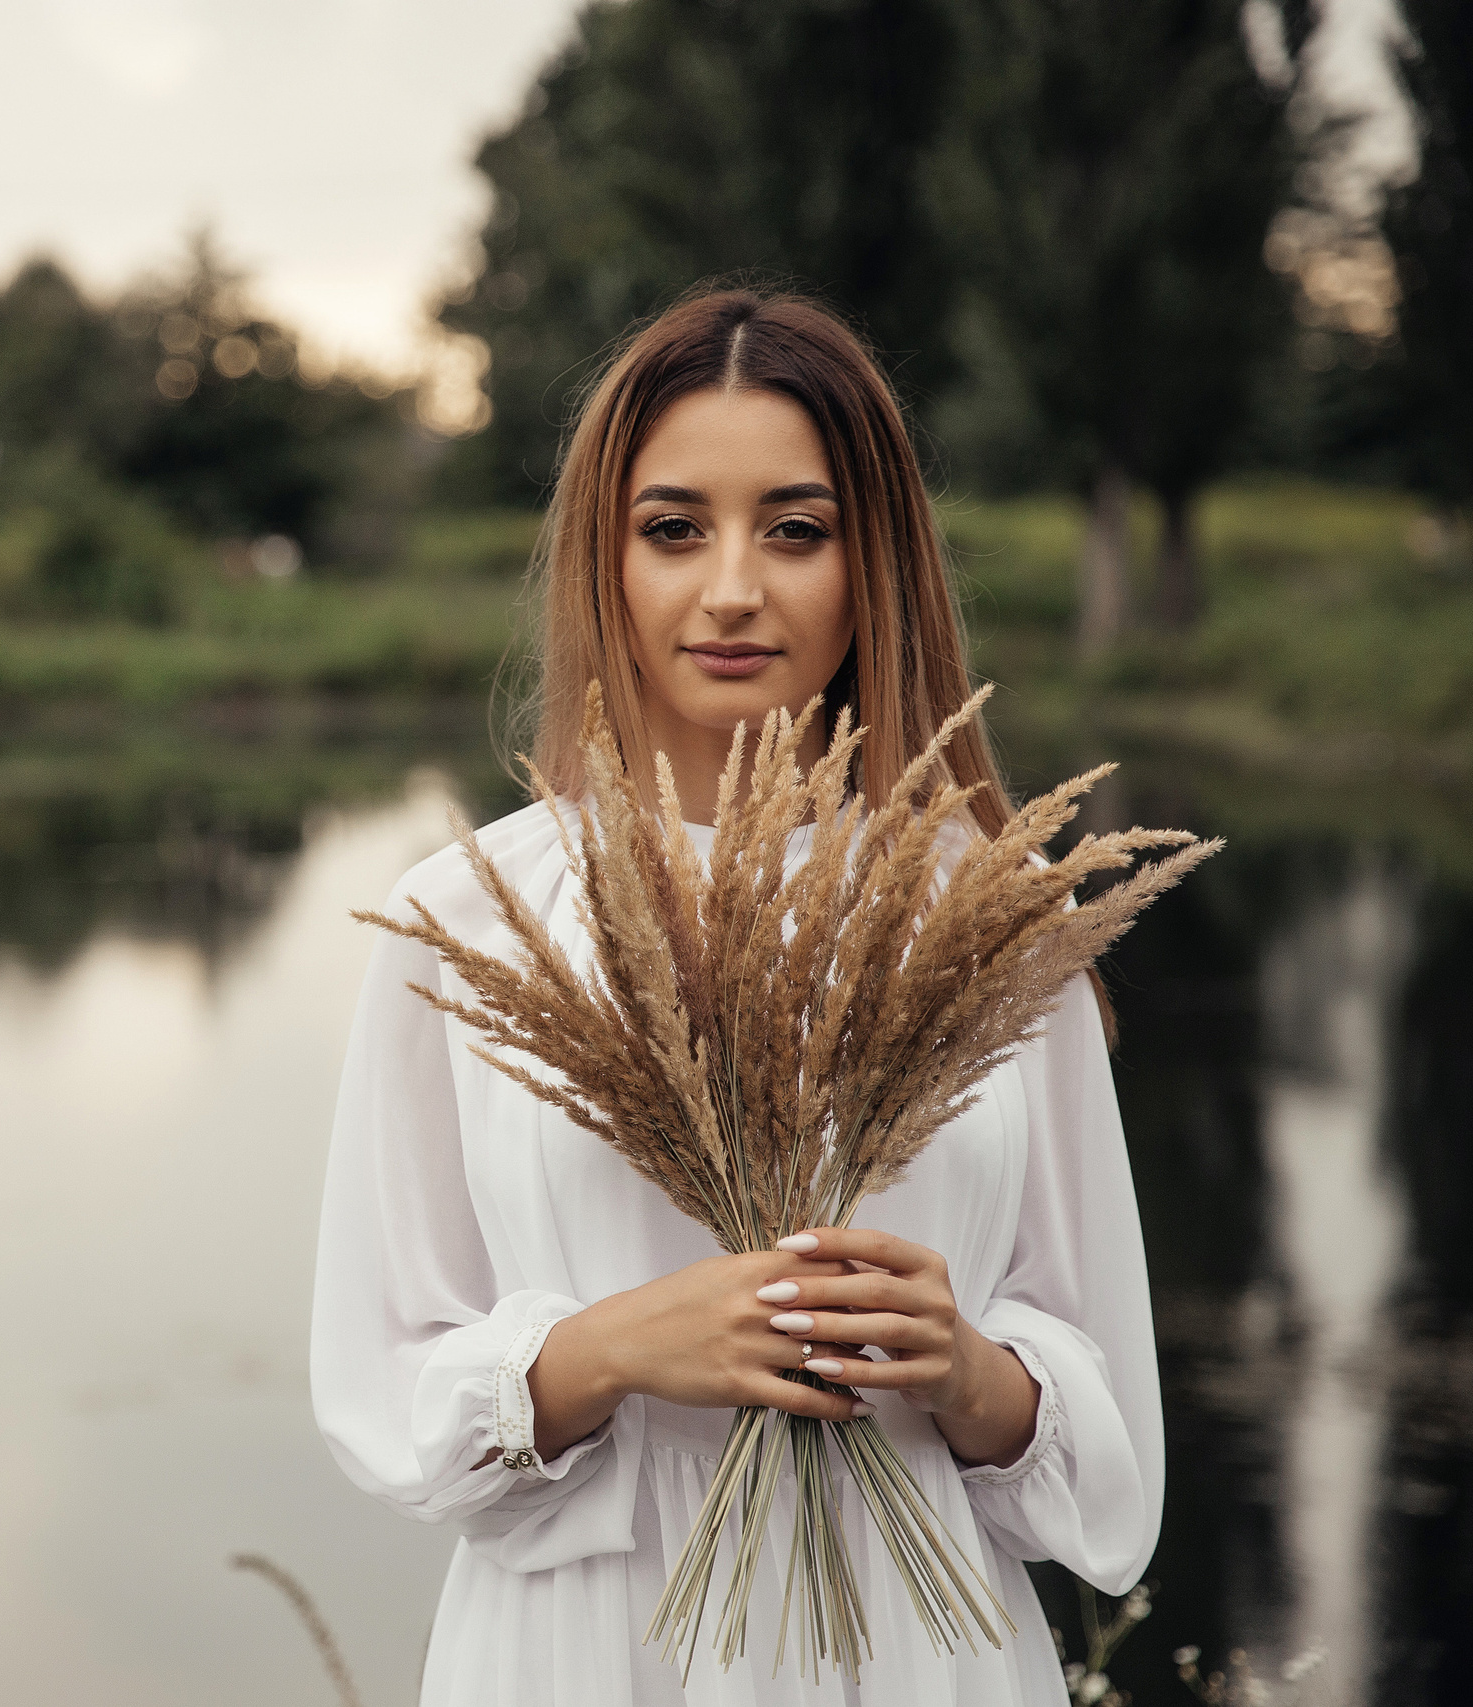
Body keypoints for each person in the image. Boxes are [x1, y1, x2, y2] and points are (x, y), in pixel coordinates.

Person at [309, 288, 1160, 1705]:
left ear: (874, 561)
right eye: (673, 528)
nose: (731, 591)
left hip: (913, 1643)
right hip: (585, 1651)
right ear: (605, 559)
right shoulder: (466, 921)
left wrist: (965, 1370)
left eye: (796, 529)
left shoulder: (997, 921)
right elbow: (384, 1389)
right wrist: (608, 1350)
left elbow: (1104, 1432)